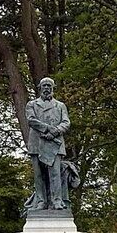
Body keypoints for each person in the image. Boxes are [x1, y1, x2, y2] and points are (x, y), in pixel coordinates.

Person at [25, 77, 70, 210]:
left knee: (55, 173)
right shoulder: (31, 104)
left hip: (54, 143)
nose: (46, 88)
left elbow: (66, 122)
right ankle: (41, 201)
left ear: (53, 88)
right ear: (40, 88)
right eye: (44, 85)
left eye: (49, 86)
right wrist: (49, 129)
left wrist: (55, 132)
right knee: (38, 174)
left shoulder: (60, 106)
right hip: (37, 143)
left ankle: (57, 200)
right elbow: (31, 120)